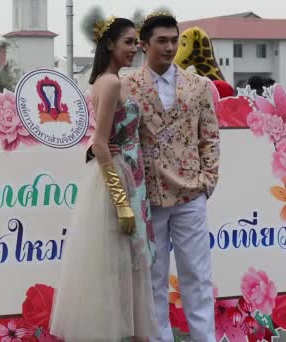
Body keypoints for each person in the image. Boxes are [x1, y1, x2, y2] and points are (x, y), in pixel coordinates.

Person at [50, 16, 158, 341]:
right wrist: (122, 202)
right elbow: (99, 142)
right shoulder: (109, 83)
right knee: (122, 267)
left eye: (136, 42)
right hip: (118, 179)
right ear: (109, 43)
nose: (134, 48)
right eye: (128, 42)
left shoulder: (104, 80)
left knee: (121, 268)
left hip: (124, 175)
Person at [124, 12, 220, 342]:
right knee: (153, 280)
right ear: (144, 44)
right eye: (161, 41)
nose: (169, 48)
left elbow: (210, 136)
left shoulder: (198, 86)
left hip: (191, 195)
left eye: (173, 41)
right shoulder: (128, 86)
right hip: (148, 197)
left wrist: (207, 181)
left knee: (197, 276)